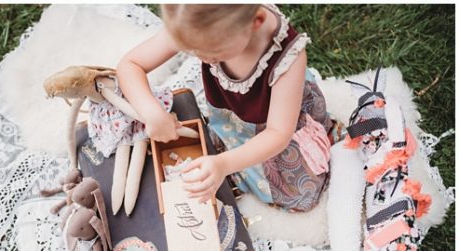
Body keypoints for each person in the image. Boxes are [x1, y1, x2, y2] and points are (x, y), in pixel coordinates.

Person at [118, 5, 334, 212]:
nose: (200, 57)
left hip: (275, 122)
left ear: (255, 22)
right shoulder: (193, 17)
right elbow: (131, 64)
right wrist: (151, 112)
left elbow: (278, 134)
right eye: (191, 49)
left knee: (298, 193)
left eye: (211, 52)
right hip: (229, 113)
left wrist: (223, 164)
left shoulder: (288, 58)